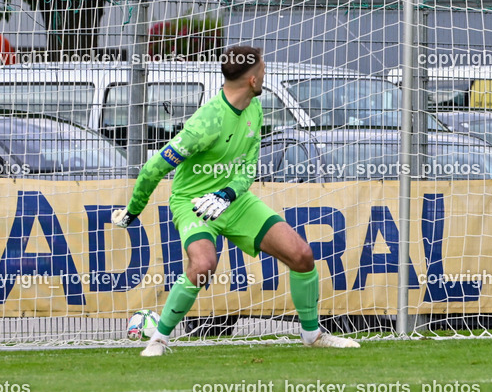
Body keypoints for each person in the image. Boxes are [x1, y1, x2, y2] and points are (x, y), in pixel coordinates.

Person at [111, 45, 360, 356]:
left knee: (302, 255)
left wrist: (227, 193)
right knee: (203, 265)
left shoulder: (255, 108)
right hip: (193, 202)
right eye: (263, 71)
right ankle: (159, 339)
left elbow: (248, 167)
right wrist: (133, 211)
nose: (265, 74)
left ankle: (312, 334)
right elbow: (153, 168)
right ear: (253, 81)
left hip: (235, 200)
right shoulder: (206, 123)